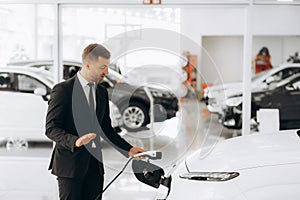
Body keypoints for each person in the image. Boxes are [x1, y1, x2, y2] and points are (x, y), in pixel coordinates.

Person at [45, 43, 146, 200]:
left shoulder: (101, 92)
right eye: (102, 67)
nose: (106, 72)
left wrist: (129, 150)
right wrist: (75, 141)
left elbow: (106, 129)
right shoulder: (63, 90)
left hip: (95, 168)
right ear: (87, 65)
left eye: (107, 67)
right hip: (70, 167)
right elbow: (51, 128)